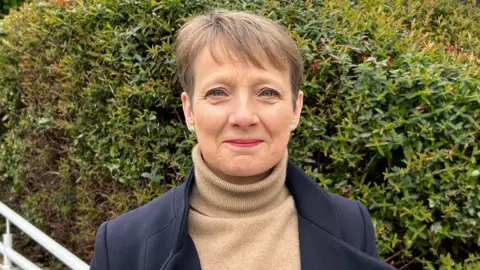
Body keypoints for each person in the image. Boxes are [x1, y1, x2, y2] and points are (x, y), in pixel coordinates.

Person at [90, 9, 395, 270]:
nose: (244, 116)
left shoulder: (351, 224)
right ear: (189, 110)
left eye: (267, 93)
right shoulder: (123, 244)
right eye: (218, 93)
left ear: (295, 109)